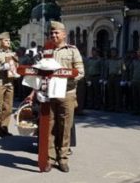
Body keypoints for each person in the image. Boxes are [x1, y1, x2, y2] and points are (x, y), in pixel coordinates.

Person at [47, 21, 84, 172]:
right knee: (49, 126)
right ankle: (49, 158)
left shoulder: (72, 50)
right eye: (52, 33)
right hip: (49, 93)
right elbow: (38, 69)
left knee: (64, 127)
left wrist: (64, 77)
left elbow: (80, 72)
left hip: (67, 93)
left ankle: (62, 158)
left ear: (64, 34)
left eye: (57, 33)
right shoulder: (46, 50)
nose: (54, 35)